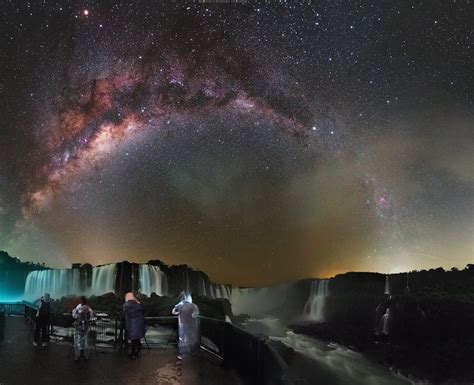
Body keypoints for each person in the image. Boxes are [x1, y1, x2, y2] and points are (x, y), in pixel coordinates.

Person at [172, 292, 199, 360]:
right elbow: (196, 314)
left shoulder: (180, 305)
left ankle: (182, 355)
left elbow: (173, 312)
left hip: (182, 325)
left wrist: (178, 313)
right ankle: (193, 352)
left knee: (182, 340)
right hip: (191, 324)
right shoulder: (193, 305)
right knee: (192, 338)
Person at [123, 292, 146, 359]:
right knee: (137, 339)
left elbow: (126, 313)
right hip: (139, 325)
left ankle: (132, 354)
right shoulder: (138, 304)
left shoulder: (126, 305)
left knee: (133, 340)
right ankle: (138, 352)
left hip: (131, 324)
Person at [72, 296, 93, 362]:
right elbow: (91, 316)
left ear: (80, 301)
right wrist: (88, 320)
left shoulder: (78, 307)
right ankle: (85, 356)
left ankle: (77, 356)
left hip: (79, 326)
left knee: (78, 341)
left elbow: (74, 315)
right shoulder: (88, 308)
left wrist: (77, 318)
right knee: (86, 341)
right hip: (86, 327)